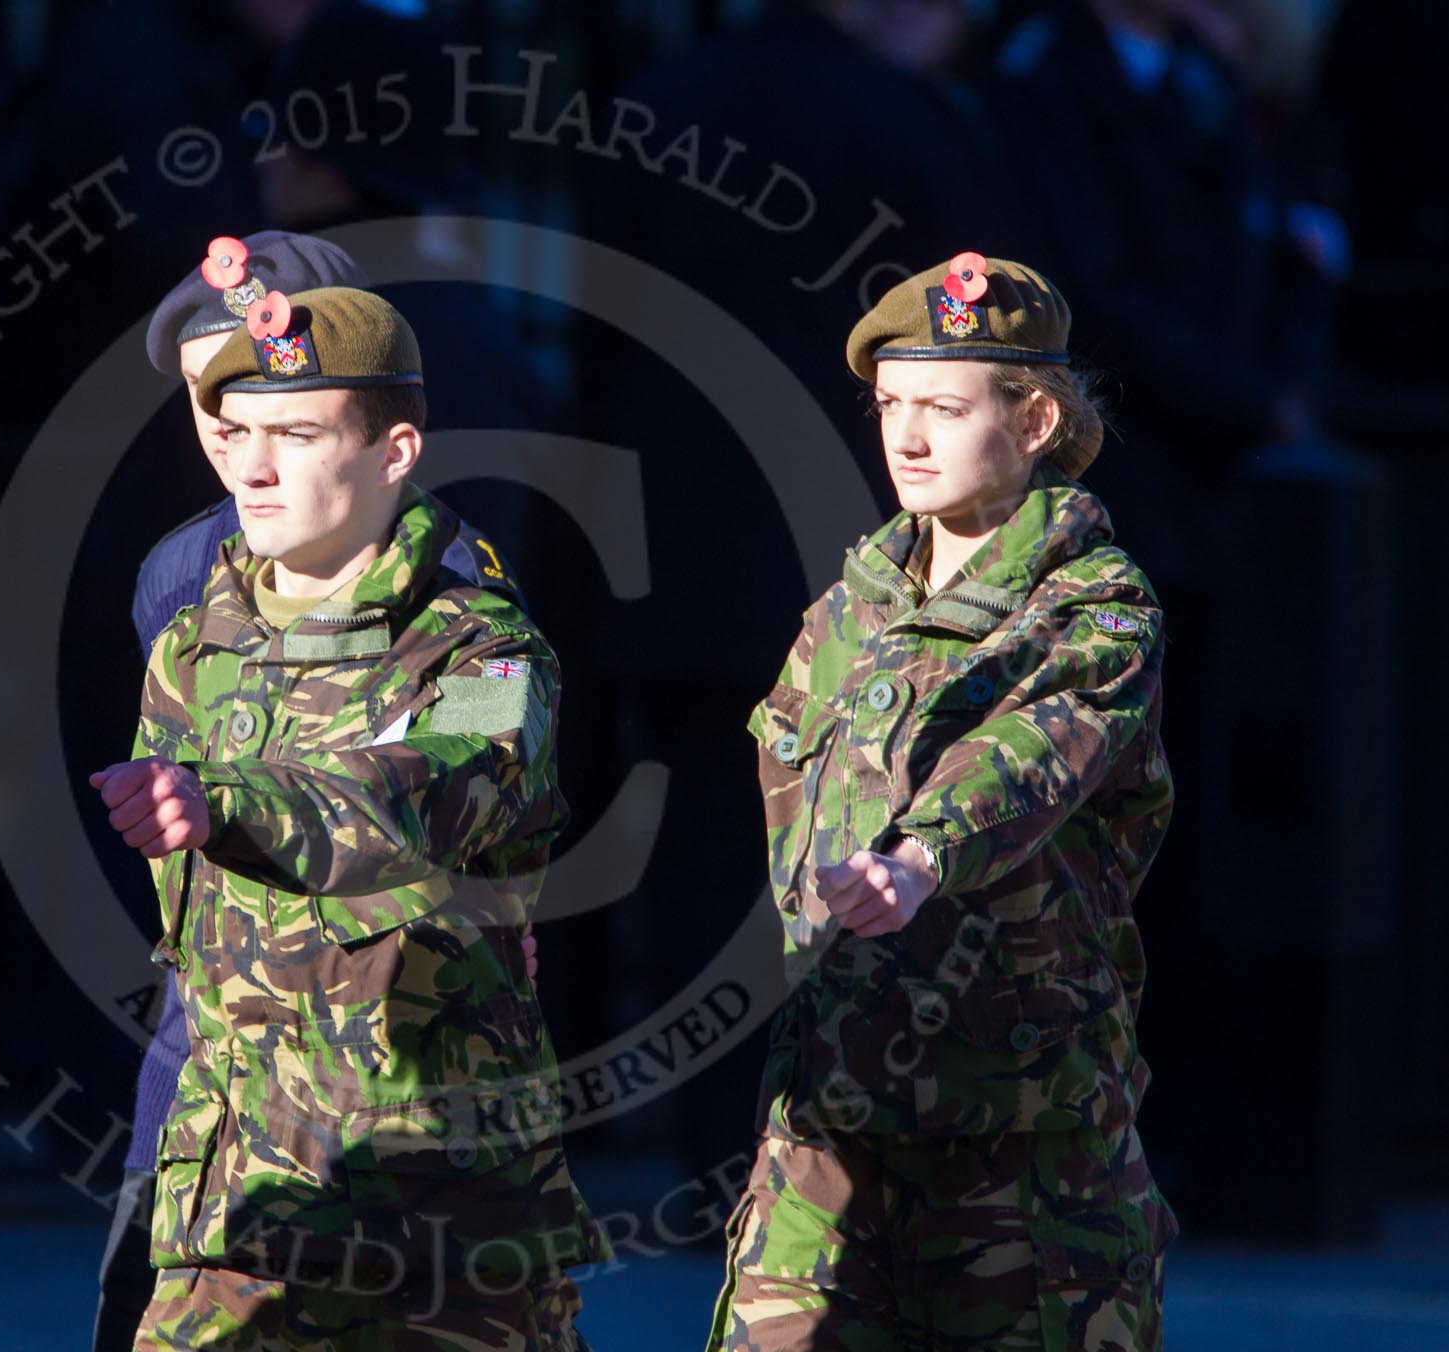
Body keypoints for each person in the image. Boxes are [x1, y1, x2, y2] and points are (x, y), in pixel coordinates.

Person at [93, 285, 601, 1348]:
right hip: (236, 1203)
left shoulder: (480, 647)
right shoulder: (193, 650)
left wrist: (234, 801)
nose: (254, 467)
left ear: (394, 448)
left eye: (298, 433)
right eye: (237, 433)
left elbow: (437, 790)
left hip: (441, 1217)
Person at [707, 253, 1177, 1349]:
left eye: (945, 408)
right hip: (828, 1124)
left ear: (1036, 417)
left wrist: (919, 855)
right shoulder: (845, 613)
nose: (907, 437)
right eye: (891, 406)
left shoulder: (1096, 603)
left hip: (1020, 1144)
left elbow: (1031, 749)